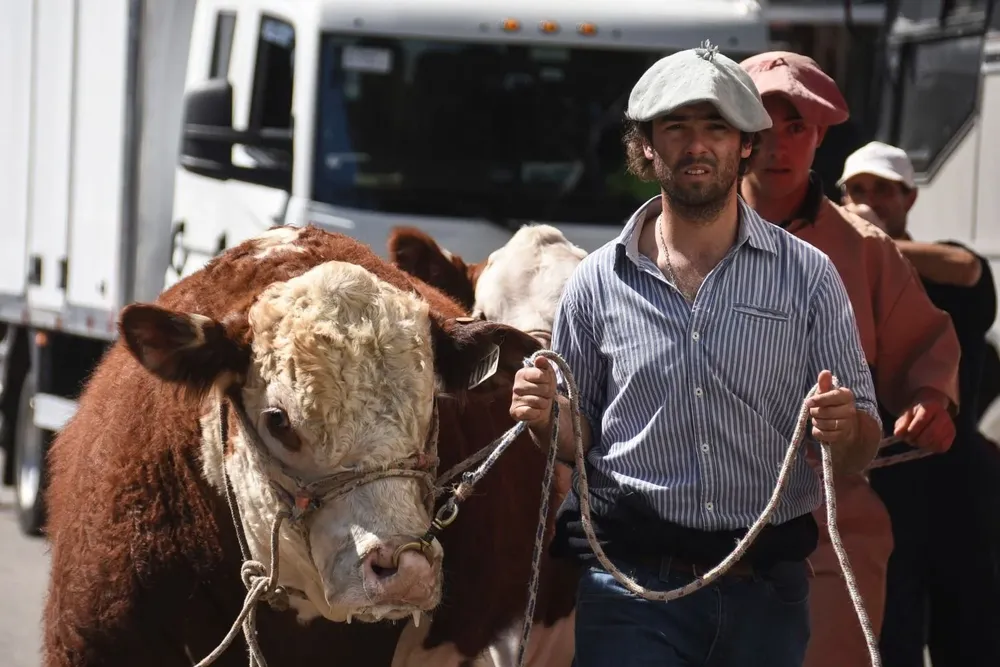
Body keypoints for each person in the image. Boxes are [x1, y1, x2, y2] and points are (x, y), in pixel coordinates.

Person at [508, 43, 884, 667]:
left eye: (716, 127)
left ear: (746, 145)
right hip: (630, 591)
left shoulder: (809, 277)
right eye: (676, 127)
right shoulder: (597, 283)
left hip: (767, 595)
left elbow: (862, 446)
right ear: (646, 147)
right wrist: (547, 418)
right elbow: (579, 439)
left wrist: (845, 429)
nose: (697, 145)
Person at [736, 51, 962, 667]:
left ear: (820, 137)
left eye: (796, 128)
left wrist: (930, 400)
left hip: (827, 519)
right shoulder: (676, 236)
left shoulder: (865, 250)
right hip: (690, 519)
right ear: (736, 132)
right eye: (762, 127)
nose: (778, 146)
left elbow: (925, 342)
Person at [839, 141, 1000, 667]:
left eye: (883, 190)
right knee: (891, 636)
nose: (869, 199)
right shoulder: (836, 279)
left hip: (956, 485)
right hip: (881, 485)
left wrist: (869, 240)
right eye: (857, 190)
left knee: (972, 634)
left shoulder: (943, 264)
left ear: (909, 198)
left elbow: (969, 266)